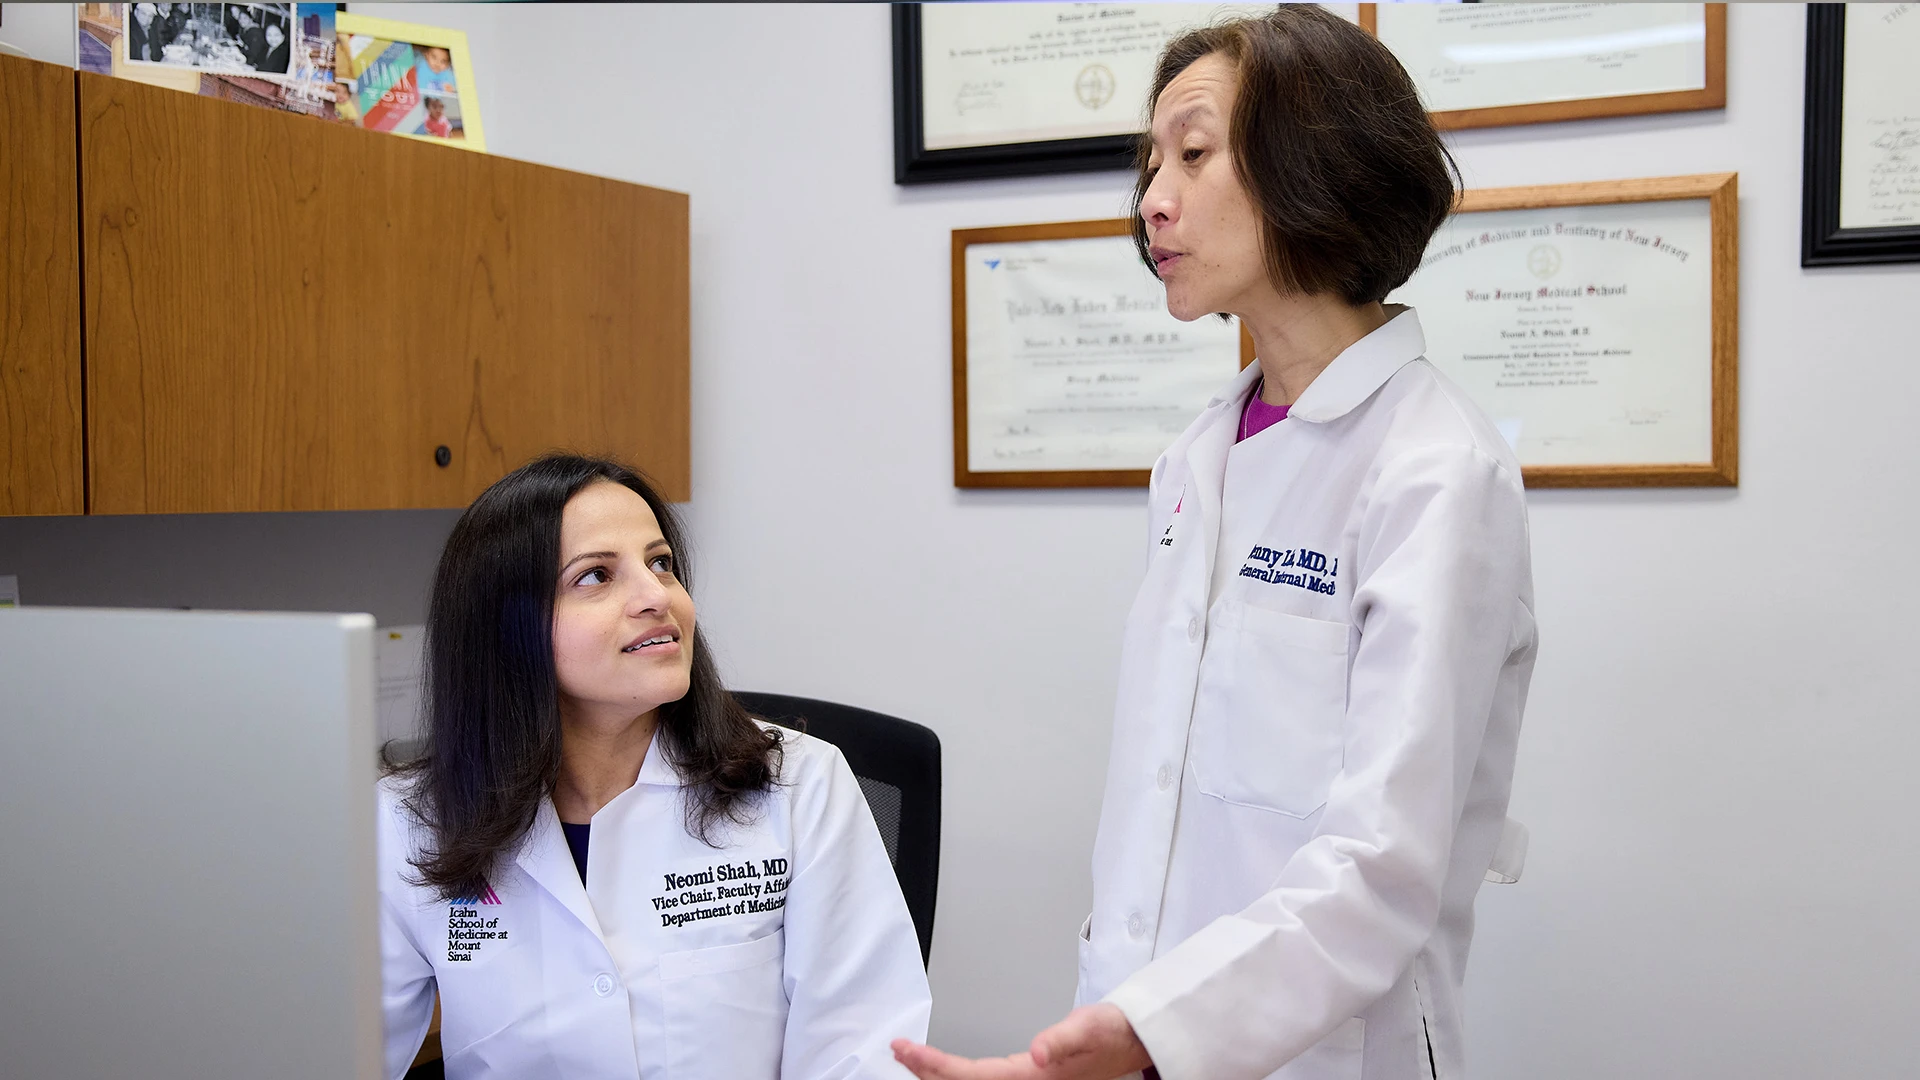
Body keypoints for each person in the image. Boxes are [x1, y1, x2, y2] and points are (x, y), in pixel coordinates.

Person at [895, 8, 1535, 1080]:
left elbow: (1383, 867)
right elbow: (1161, 796)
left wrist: (1153, 1033)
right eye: (1150, 162)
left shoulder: (1435, 468)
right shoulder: (1198, 456)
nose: (1153, 198)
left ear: (1315, 164)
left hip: (1327, 1052)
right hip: (1131, 1028)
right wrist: (1118, 1021)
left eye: (1192, 153)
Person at [379, 454, 932, 1079]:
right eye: (594, 576)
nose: (656, 596)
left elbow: (862, 1053)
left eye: (660, 563)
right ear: (504, 630)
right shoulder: (408, 821)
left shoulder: (799, 785)